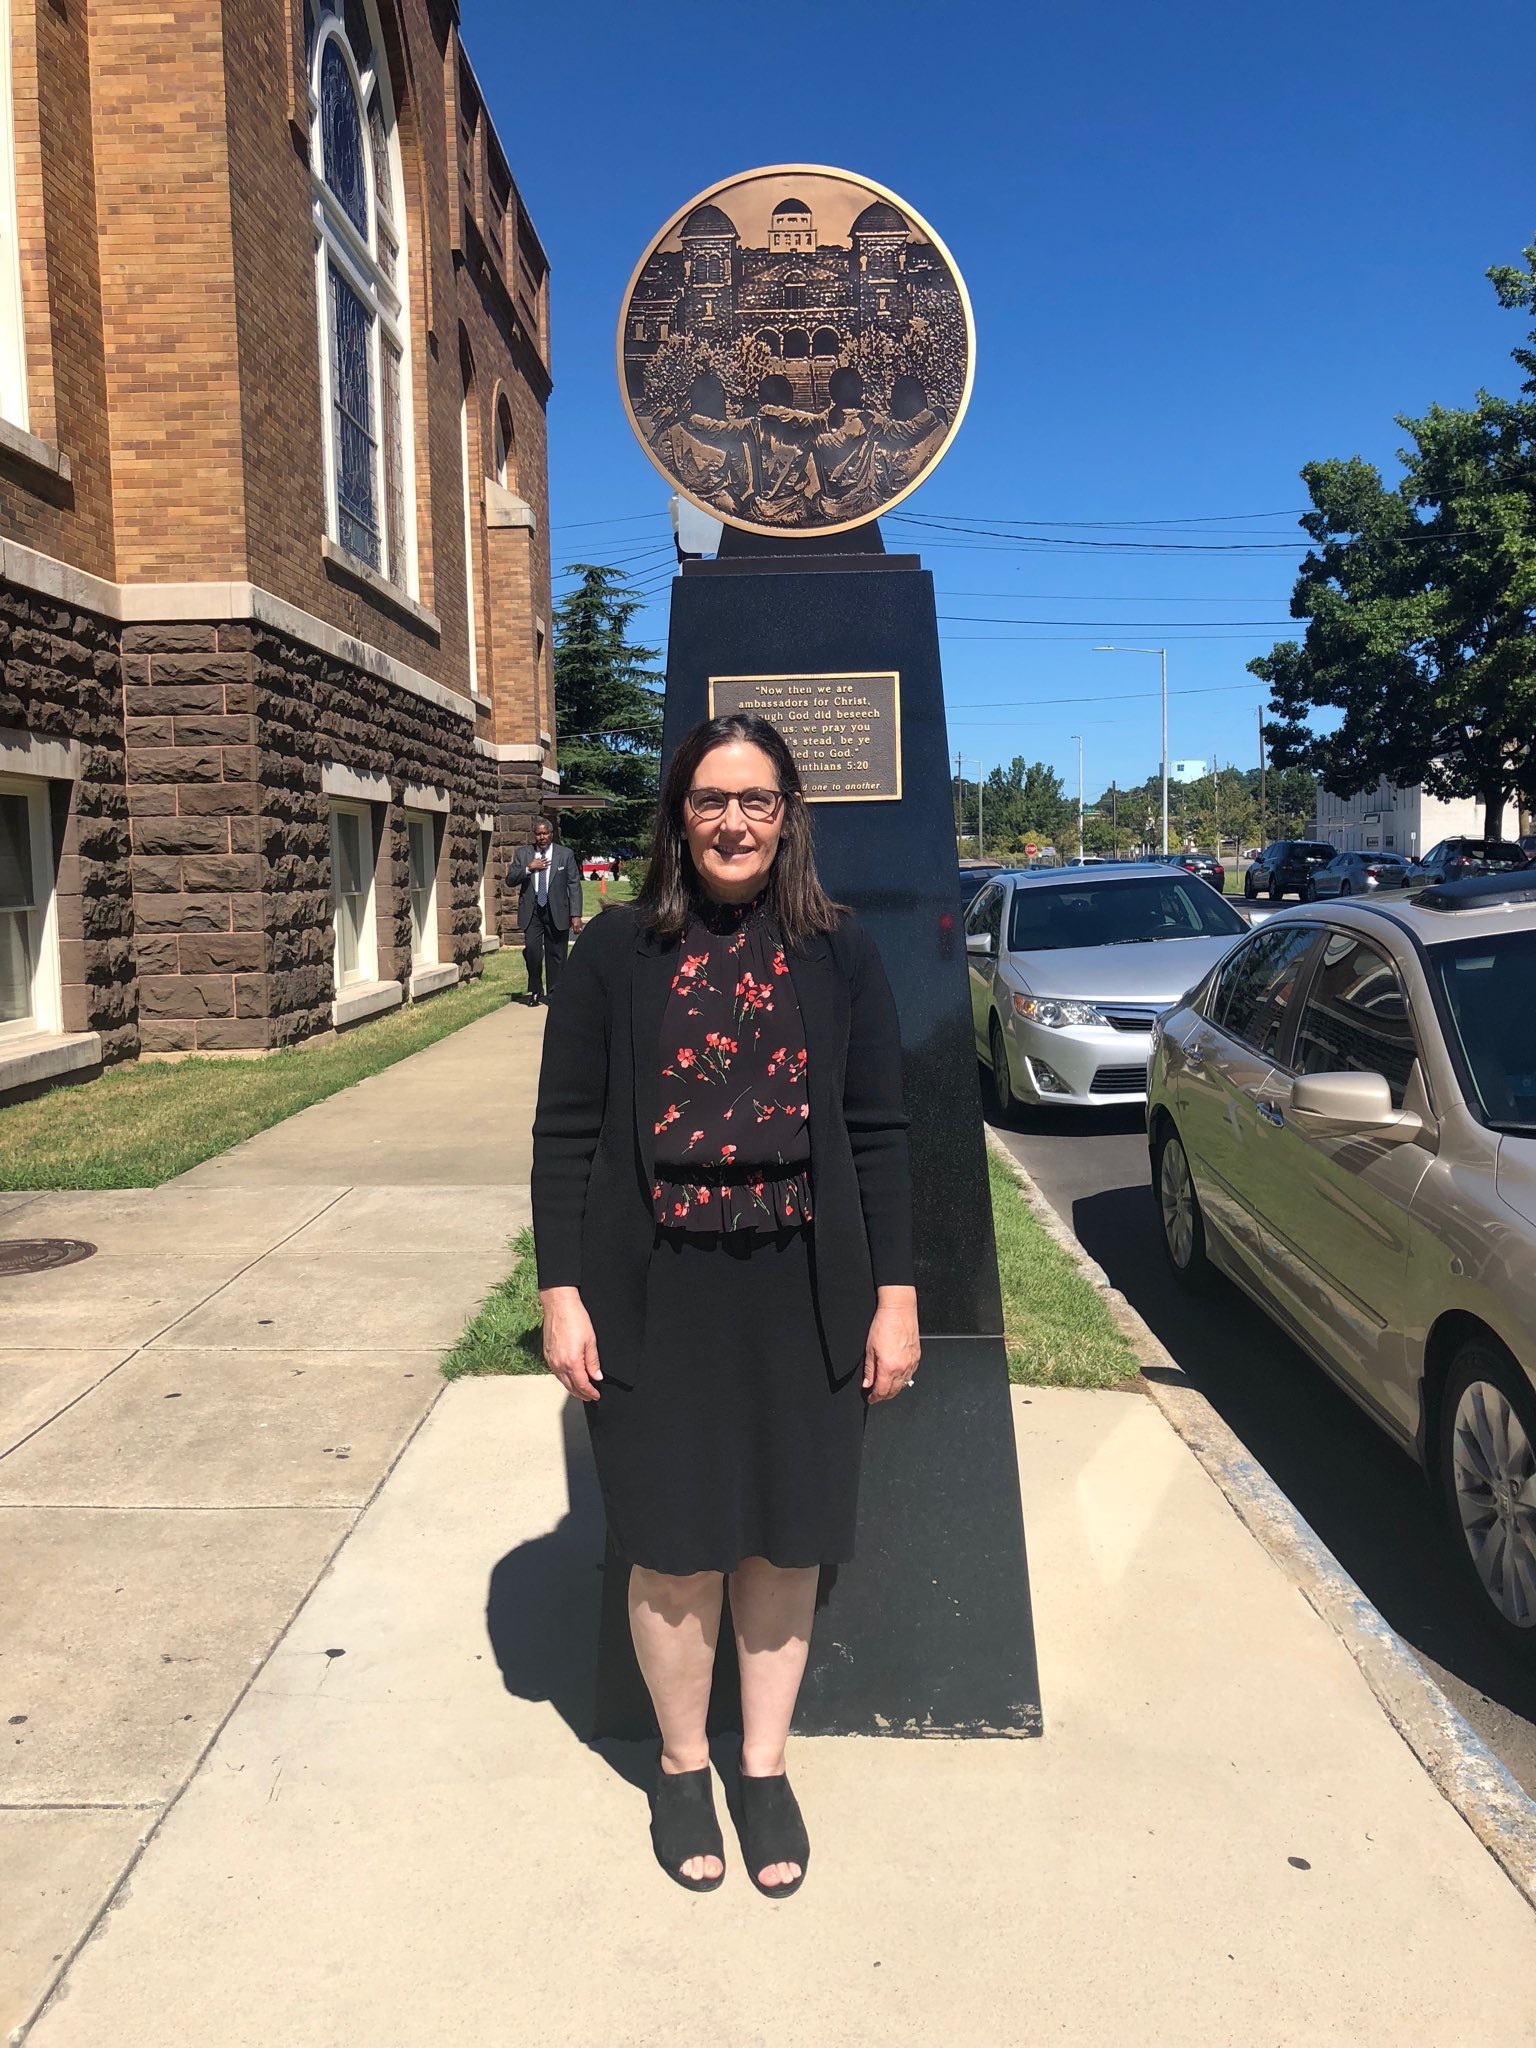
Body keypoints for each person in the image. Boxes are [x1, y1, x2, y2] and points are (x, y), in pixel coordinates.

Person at [531, 713, 918, 1897]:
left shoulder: (840, 952)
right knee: (674, 1546)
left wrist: (895, 1293)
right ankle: (683, 1764)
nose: (733, 821)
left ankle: (763, 1767)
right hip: (657, 1284)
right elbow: (565, 1131)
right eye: (710, 798)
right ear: (678, 813)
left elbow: (879, 1130)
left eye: (755, 799)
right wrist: (561, 1290)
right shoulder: (611, 953)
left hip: (804, 1286)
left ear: (789, 813)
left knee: (785, 1539)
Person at [507, 818, 583, 1007]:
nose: (541, 837)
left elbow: (574, 884)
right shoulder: (524, 854)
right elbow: (510, 880)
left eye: (545, 833)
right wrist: (528, 868)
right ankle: (535, 990)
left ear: (551, 834)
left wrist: (576, 915)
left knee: (556, 953)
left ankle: (555, 993)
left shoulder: (565, 855)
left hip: (556, 909)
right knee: (533, 951)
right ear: (535, 835)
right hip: (532, 910)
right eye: (538, 834)